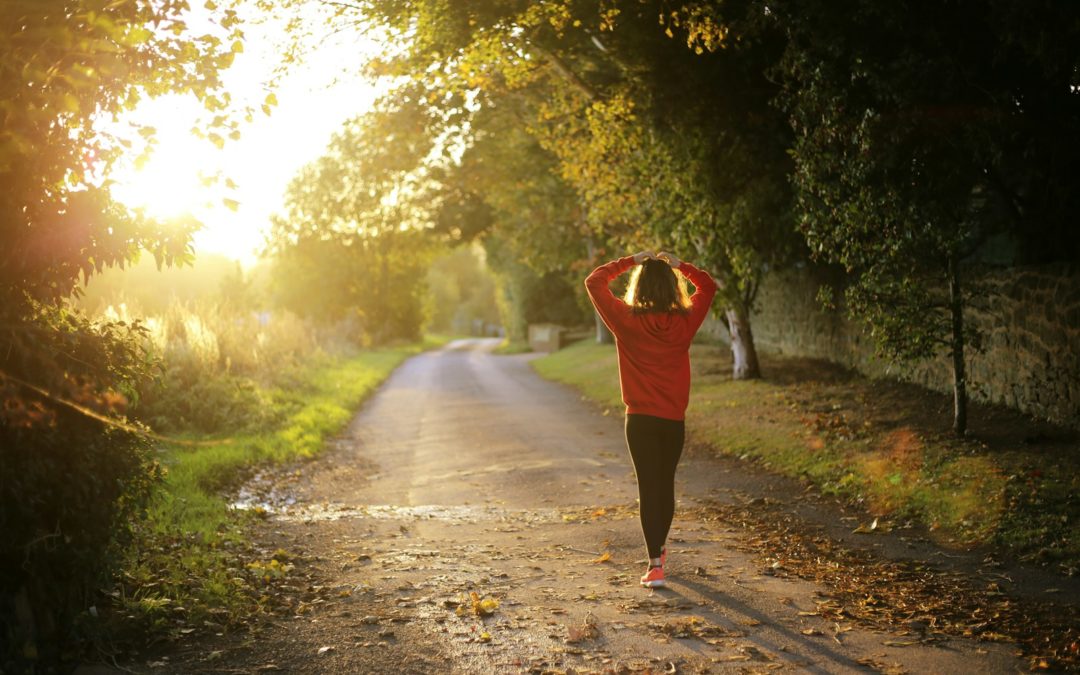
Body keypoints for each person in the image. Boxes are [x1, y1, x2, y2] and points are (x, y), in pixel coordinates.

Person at [585, 250, 717, 588]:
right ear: (672, 288)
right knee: (665, 484)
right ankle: (659, 549)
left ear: (639, 287)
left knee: (648, 487)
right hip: (672, 420)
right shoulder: (685, 321)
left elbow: (594, 281)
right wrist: (680, 266)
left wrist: (630, 260)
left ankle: (655, 563)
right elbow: (708, 286)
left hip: (640, 420)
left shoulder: (625, 320)